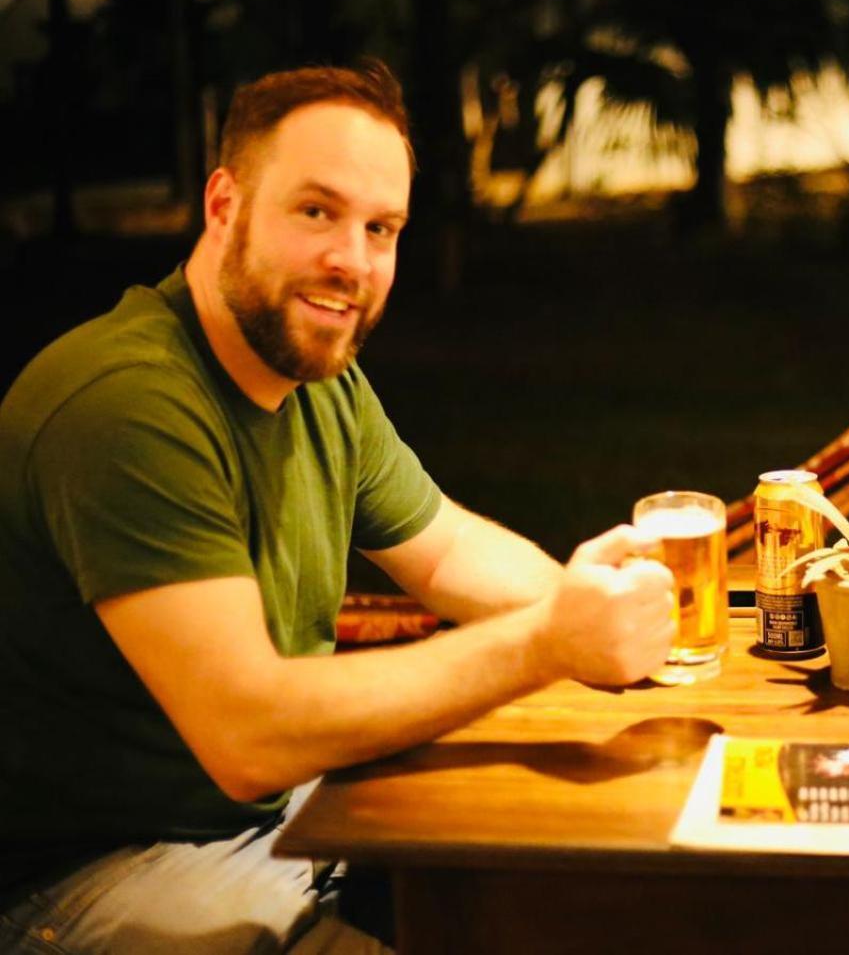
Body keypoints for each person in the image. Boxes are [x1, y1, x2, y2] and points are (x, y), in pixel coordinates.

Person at [0, 61, 677, 953]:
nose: (351, 262)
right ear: (223, 205)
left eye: (381, 227)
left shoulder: (315, 382)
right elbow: (250, 733)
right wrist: (546, 643)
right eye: (316, 212)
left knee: (598, 894)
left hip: (278, 819)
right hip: (94, 872)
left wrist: (593, 613)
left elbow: (443, 552)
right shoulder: (125, 403)